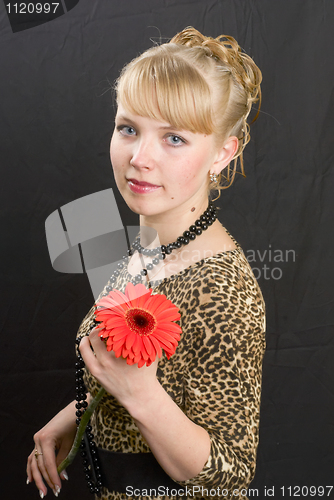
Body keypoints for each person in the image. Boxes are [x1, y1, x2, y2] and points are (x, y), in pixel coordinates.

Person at [27, 27, 265, 500]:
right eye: (128, 128)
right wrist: (73, 416)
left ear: (222, 153)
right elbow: (136, 370)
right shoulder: (153, 245)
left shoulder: (219, 288)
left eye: (174, 138)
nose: (139, 158)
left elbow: (231, 476)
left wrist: (140, 394)